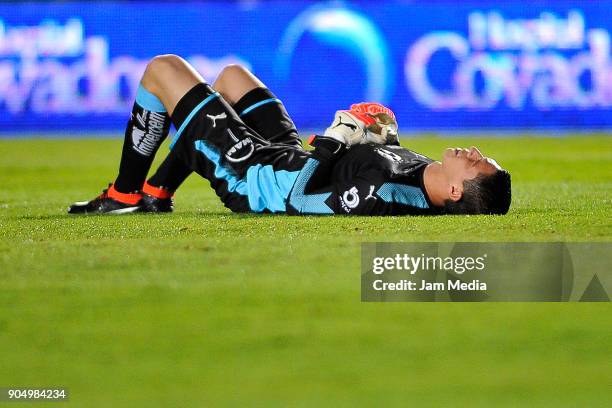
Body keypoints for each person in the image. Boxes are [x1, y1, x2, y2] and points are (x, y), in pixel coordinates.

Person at [68, 55, 511, 216]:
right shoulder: (422, 175)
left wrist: (338, 139)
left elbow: (302, 200)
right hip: (285, 155)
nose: (473, 151)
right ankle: (156, 192)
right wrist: (381, 138)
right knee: (233, 77)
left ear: (456, 190)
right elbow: (371, 162)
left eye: (477, 162)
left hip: (257, 177)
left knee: (162, 70)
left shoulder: (386, 193)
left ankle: (125, 196)